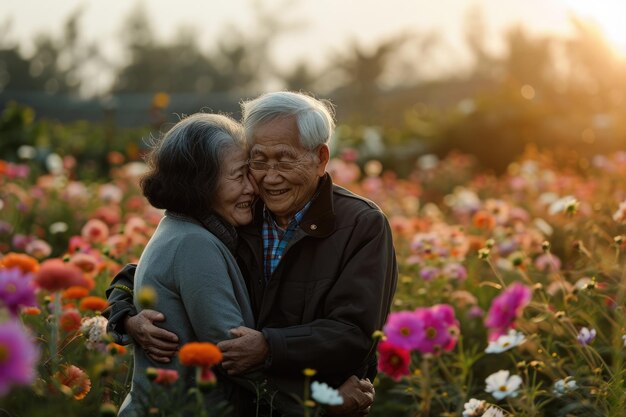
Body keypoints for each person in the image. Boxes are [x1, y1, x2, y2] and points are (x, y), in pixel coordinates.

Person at [106, 91, 397, 416]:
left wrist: (270, 347)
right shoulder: (242, 212)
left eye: (285, 160)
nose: (268, 178)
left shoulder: (361, 225)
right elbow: (155, 270)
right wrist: (125, 316)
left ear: (321, 158)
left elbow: (355, 333)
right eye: (257, 162)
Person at [115, 113, 258, 416]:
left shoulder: (181, 229)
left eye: (250, 173)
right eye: (238, 175)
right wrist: (323, 396)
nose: (252, 188)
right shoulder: (194, 243)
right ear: (201, 184)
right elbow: (232, 351)